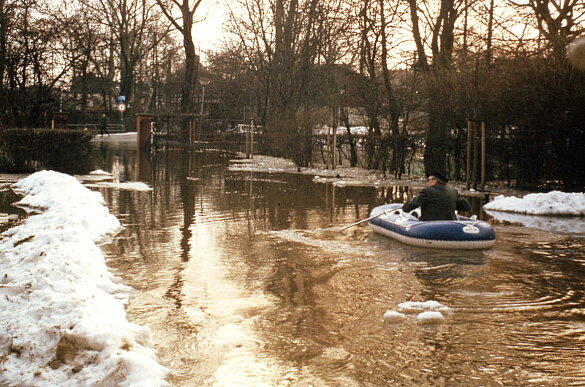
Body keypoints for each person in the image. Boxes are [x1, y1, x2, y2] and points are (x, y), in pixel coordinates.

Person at [402, 171, 470, 221]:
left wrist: (405, 208)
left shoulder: (427, 191)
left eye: (429, 180)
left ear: (435, 181)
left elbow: (410, 206)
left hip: (430, 226)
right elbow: (466, 207)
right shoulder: (453, 192)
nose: (427, 182)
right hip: (450, 225)